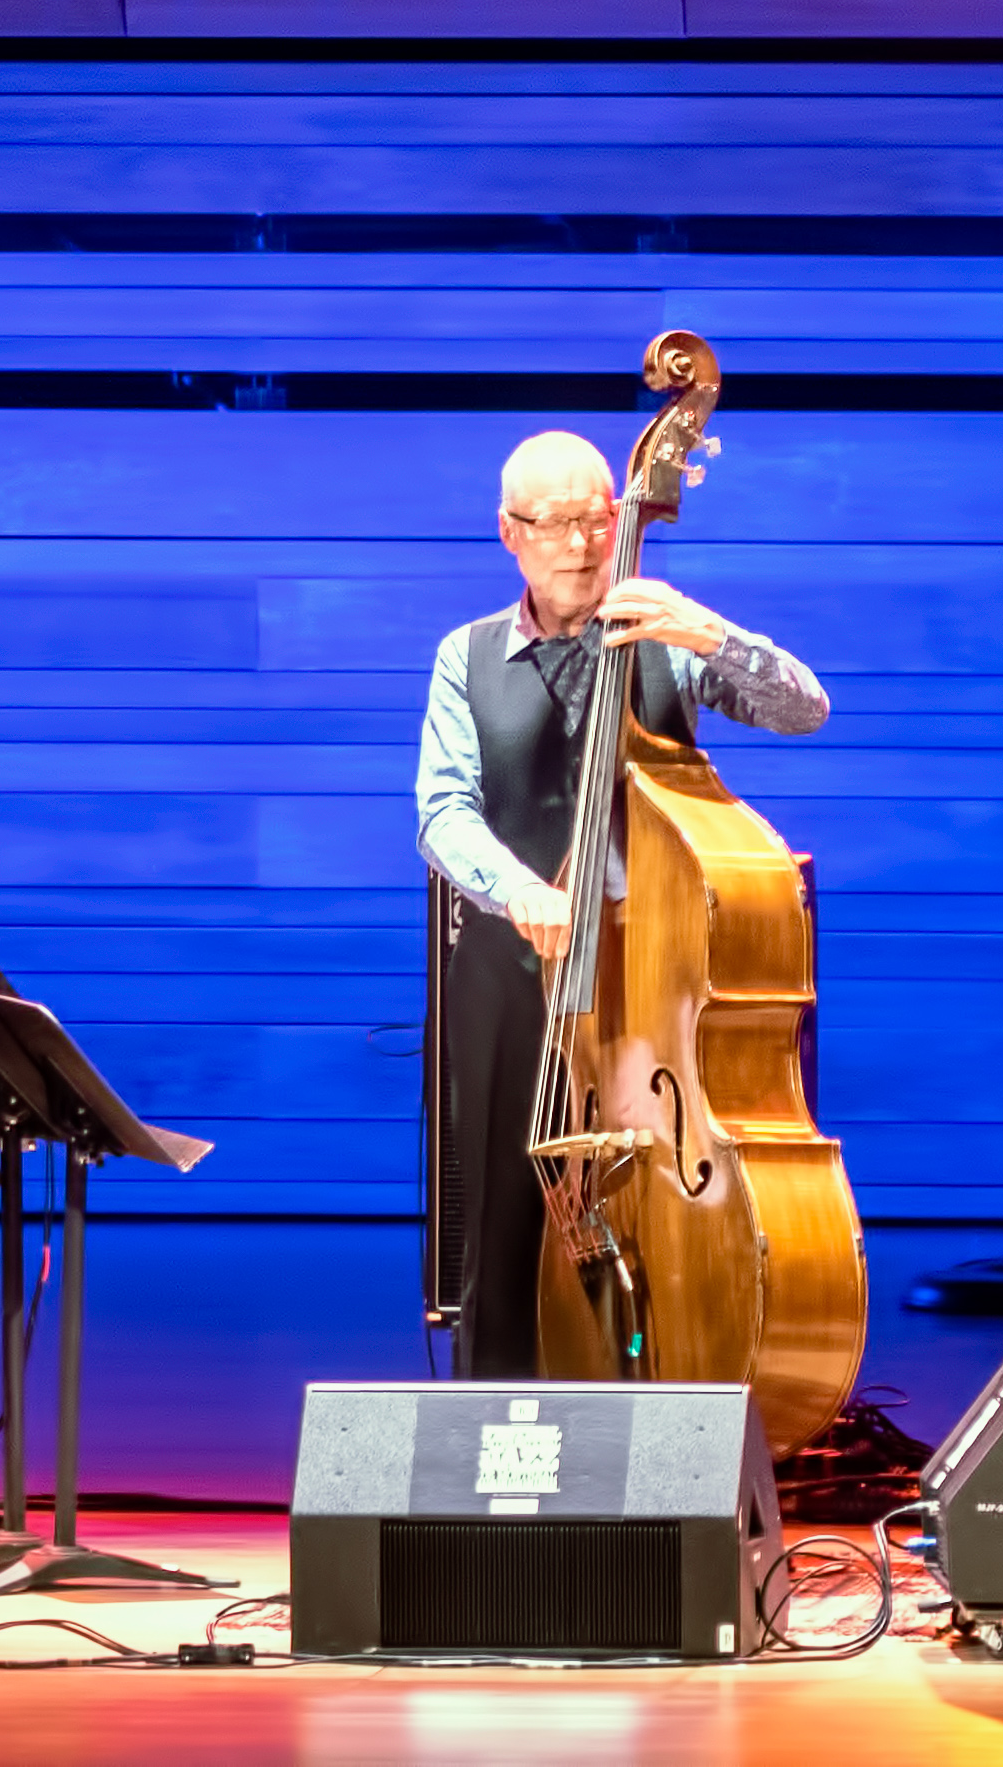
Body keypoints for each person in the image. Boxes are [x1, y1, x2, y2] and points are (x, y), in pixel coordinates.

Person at [411, 429, 827, 1377]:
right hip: (516, 974)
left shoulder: (663, 639)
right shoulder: (464, 656)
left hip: (654, 987)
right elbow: (441, 809)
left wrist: (706, 633)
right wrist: (521, 891)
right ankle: (500, 1443)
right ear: (509, 533)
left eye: (598, 517)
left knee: (671, 1213)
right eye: (556, 523)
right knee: (504, 1228)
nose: (584, 543)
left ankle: (676, 1427)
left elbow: (806, 707)